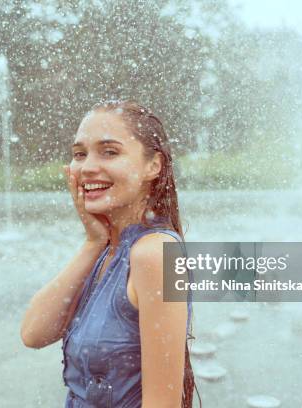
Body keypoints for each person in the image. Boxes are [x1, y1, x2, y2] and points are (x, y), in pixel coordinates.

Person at [20, 100, 199, 407]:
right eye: (80, 154)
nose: (87, 167)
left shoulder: (155, 254)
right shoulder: (108, 249)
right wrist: (92, 243)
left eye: (109, 151)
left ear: (152, 166)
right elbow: (34, 333)